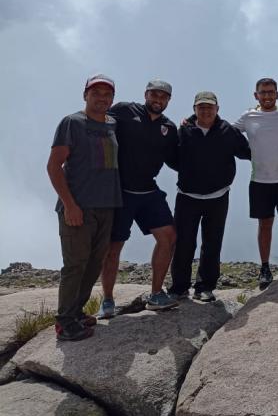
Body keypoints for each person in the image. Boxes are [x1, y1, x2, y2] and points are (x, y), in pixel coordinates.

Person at [47, 74, 122, 341]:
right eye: (96, 92)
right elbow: (54, 166)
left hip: (107, 205)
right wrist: (69, 205)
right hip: (79, 206)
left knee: (93, 264)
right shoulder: (72, 122)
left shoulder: (112, 124)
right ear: (85, 95)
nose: (102, 98)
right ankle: (64, 322)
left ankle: (76, 312)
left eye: (107, 94)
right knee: (75, 264)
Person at [98, 79, 179, 316]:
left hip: (148, 191)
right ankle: (108, 300)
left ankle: (156, 294)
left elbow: (176, 159)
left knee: (168, 236)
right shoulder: (124, 110)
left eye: (163, 97)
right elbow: (99, 125)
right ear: (146, 94)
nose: (158, 100)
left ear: (168, 100)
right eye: (154, 94)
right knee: (114, 246)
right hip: (120, 191)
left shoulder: (169, 127)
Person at [168, 91, 252, 302]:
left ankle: (205, 286)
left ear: (217, 109)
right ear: (195, 109)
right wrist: (187, 172)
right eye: (201, 107)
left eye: (210, 107)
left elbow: (247, 152)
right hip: (187, 196)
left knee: (212, 243)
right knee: (183, 243)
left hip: (218, 196)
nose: (206, 111)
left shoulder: (228, 131)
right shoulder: (184, 130)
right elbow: (171, 157)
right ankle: (179, 287)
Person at [233, 78, 278, 288]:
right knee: (265, 224)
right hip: (260, 180)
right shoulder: (248, 117)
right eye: (263, 92)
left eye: (271, 92)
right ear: (256, 95)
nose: (267, 96)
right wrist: (192, 121)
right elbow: (224, 131)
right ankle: (265, 268)